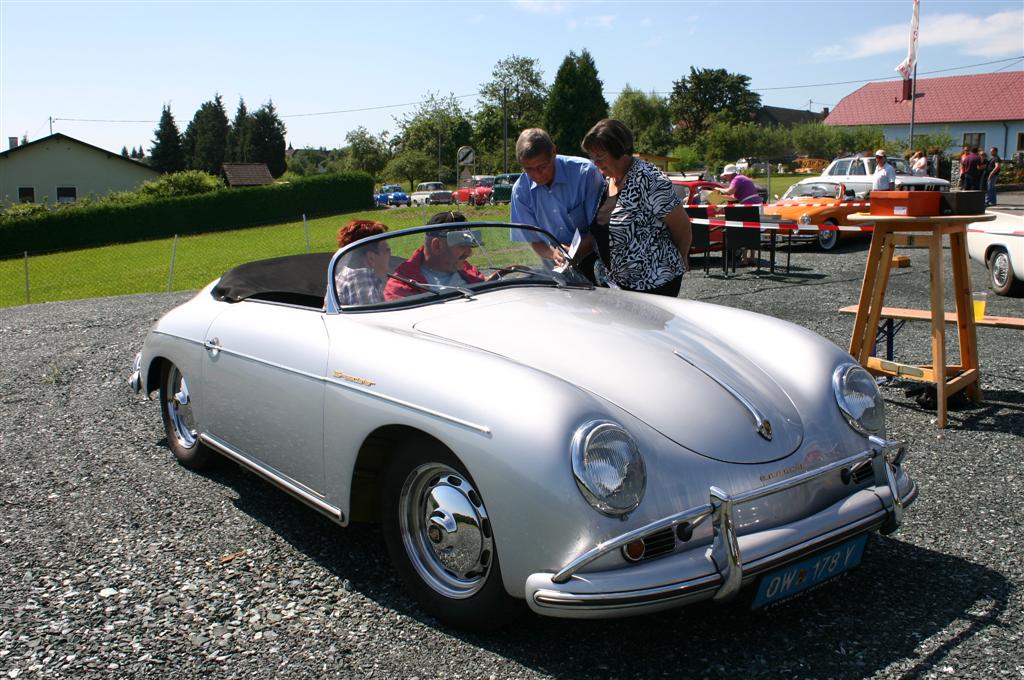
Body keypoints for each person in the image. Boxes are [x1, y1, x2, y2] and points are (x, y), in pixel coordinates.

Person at [580, 118, 692, 297]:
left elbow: (682, 226)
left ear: (619, 150)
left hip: (655, 282)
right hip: (619, 284)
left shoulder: (649, 179)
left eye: (600, 157)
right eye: (592, 157)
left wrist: (682, 256)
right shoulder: (608, 180)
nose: (596, 163)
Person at [510, 128, 605, 265]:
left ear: (553, 151)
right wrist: (554, 253)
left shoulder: (585, 173)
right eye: (528, 169)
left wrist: (577, 251)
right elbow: (534, 240)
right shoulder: (520, 191)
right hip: (555, 266)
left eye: (542, 166)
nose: (537, 174)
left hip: (594, 259)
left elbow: (600, 228)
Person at [383, 211, 484, 300]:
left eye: (470, 246)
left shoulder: (468, 271)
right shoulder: (401, 287)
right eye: (462, 245)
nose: (469, 253)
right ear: (437, 246)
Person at [334, 220, 390, 305]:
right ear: (371, 258)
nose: (390, 253)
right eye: (387, 249)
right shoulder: (361, 279)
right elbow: (374, 316)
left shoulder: (346, 273)